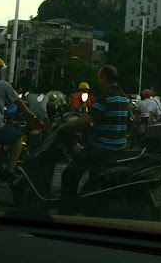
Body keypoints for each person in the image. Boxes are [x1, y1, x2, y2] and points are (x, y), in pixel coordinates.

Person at [56, 65, 129, 214]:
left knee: (69, 173)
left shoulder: (106, 97)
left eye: (99, 77)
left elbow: (87, 119)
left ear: (104, 78)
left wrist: (65, 126)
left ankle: (66, 210)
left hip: (103, 147)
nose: (98, 80)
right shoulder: (123, 96)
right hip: (119, 145)